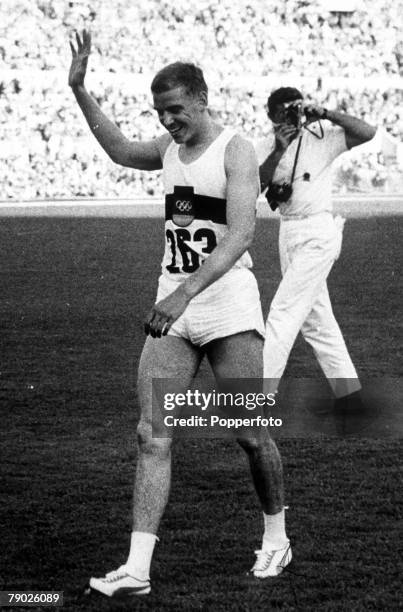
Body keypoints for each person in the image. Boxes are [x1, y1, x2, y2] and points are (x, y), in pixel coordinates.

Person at [68, 31, 291, 599]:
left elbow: (242, 233)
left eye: (175, 110)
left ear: (201, 99)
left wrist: (182, 295)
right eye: (159, 113)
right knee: (152, 434)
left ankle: (276, 536)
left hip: (226, 306)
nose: (167, 122)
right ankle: (137, 569)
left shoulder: (235, 149)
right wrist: (79, 89)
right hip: (176, 310)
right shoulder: (169, 152)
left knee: (249, 434)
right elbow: (118, 148)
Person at [255, 87, 376, 423]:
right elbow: (255, 184)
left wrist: (326, 113)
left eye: (294, 110)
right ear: (271, 115)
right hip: (288, 231)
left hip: (318, 230)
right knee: (316, 321)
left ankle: (259, 399)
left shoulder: (321, 135)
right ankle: (350, 397)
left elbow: (367, 132)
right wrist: (278, 150)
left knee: (283, 311)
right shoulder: (266, 145)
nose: (288, 117)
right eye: (281, 112)